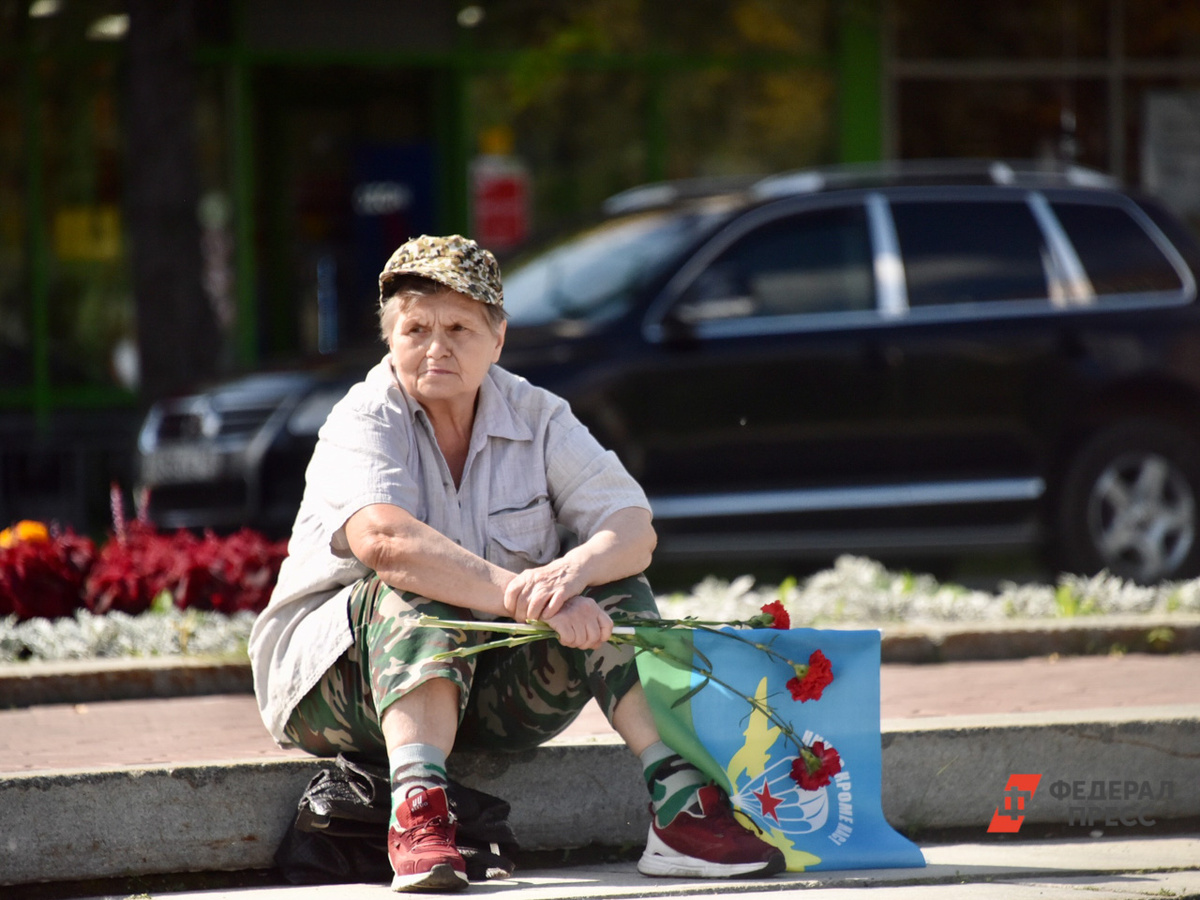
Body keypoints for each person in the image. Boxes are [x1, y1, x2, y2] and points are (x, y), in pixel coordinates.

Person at [249, 234, 784, 892]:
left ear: (497, 339)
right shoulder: (362, 418)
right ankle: (416, 814)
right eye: (415, 327)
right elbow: (386, 543)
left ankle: (680, 807)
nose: (436, 346)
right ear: (390, 336)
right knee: (415, 586)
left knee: (618, 584)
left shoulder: (537, 413)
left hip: (485, 684)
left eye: (459, 327)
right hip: (337, 687)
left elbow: (632, 526)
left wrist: (575, 570)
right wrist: (531, 596)